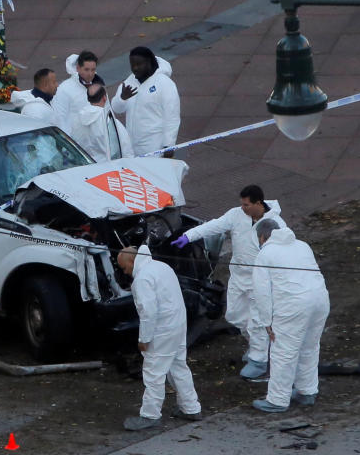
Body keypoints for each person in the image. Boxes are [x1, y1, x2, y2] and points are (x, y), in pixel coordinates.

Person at [170, 185, 285, 379]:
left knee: (258, 320)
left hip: (261, 280)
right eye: (241, 204)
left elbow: (284, 254)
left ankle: (260, 360)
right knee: (235, 315)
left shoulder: (276, 224)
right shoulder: (236, 215)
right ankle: (261, 349)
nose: (243, 208)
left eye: (246, 205)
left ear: (259, 203)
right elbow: (214, 225)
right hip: (239, 276)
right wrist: (188, 236)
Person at [117, 245, 202, 431]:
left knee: (153, 372)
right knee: (178, 366)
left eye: (124, 267)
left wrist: (144, 339)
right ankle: (191, 408)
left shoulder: (142, 279)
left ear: (132, 261)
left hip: (162, 329)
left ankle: (150, 415)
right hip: (178, 323)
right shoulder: (161, 266)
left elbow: (148, 313)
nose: (125, 272)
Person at [251, 219, 330, 413]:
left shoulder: (265, 254)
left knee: (283, 352)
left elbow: (261, 292)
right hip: (320, 300)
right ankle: (307, 391)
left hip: (292, 306)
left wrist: (266, 322)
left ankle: (277, 400)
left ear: (262, 236)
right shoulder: (303, 245)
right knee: (309, 347)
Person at [109, 47, 179, 157]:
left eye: (139, 64)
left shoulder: (165, 84)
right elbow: (116, 109)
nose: (135, 68)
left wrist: (169, 145)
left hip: (154, 146)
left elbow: (172, 117)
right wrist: (122, 98)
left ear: (149, 63)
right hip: (131, 146)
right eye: (132, 65)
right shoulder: (130, 81)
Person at [72, 83, 134, 161]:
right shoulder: (109, 120)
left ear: (88, 99)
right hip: (109, 168)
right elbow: (125, 147)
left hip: (88, 168)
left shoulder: (77, 119)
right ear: (105, 98)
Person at [51, 50, 104, 137]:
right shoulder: (64, 89)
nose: (90, 74)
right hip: (77, 143)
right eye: (86, 69)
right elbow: (60, 118)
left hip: (97, 142)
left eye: (93, 70)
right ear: (78, 68)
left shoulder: (99, 85)